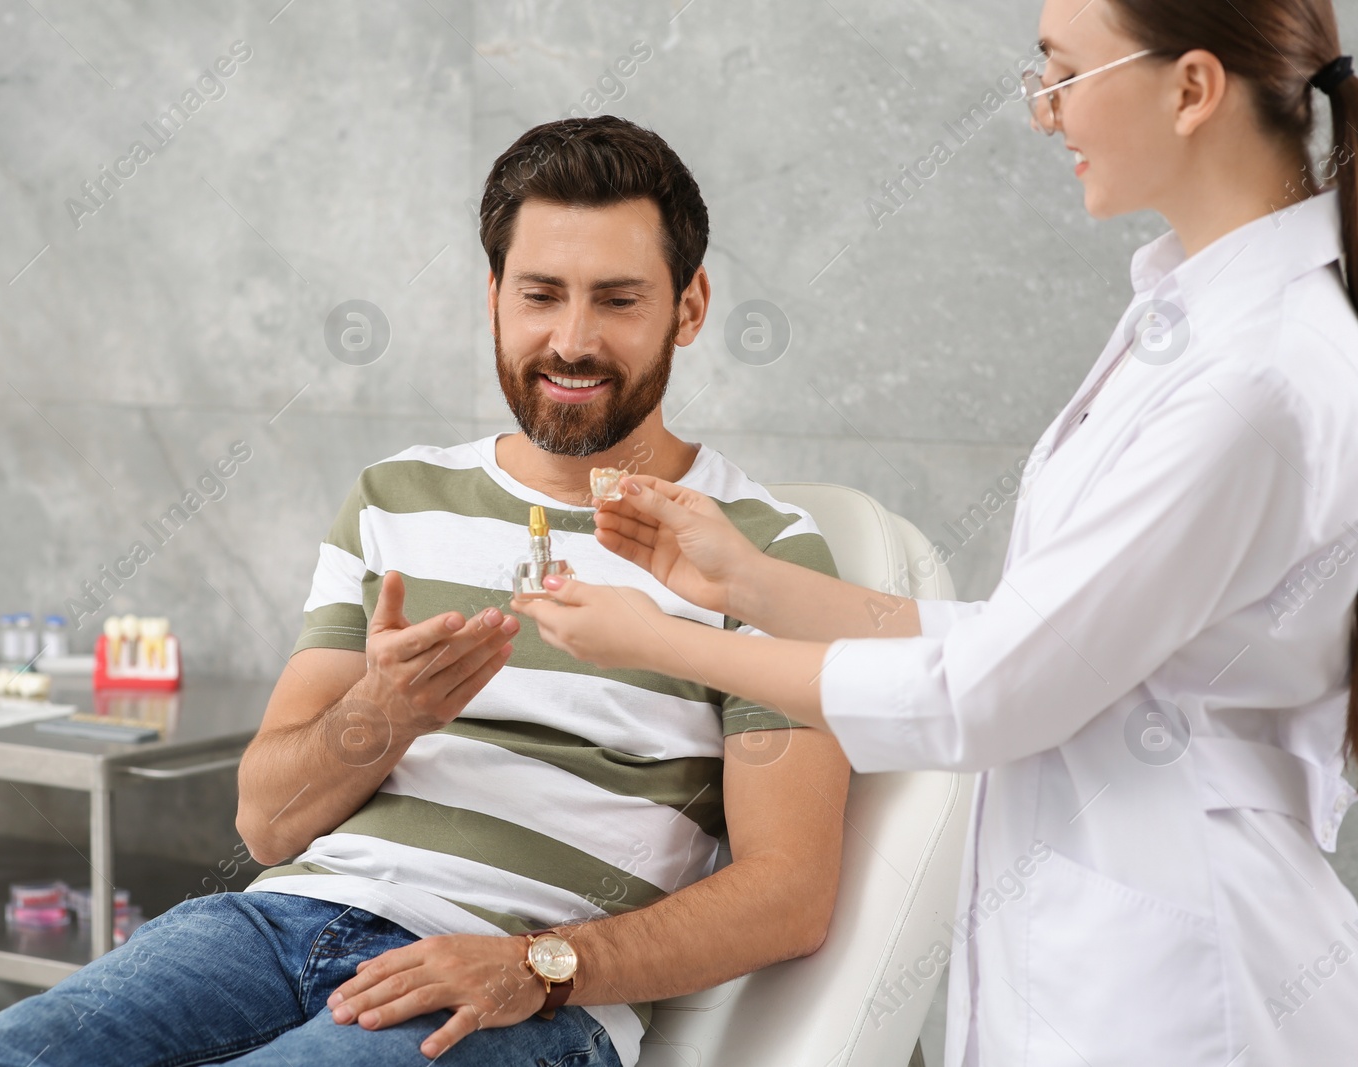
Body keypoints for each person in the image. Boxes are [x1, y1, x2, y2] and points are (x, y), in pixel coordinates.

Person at [514, 1, 1358, 1064]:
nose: (1045, 115)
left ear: (1191, 88)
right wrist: (747, 579)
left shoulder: (1252, 379)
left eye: (1060, 74)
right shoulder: (1196, 322)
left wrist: (660, 637)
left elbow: (994, 691)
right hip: (1098, 933)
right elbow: (1029, 634)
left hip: (1181, 978)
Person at [0, 116, 849, 1067]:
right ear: (494, 297)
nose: (572, 340)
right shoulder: (394, 499)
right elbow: (267, 820)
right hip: (272, 927)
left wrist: (539, 965)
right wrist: (387, 711)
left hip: (510, 995)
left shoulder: (761, 554)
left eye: (617, 300)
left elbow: (790, 890)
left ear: (689, 307)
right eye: (540, 295)